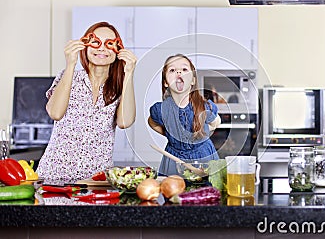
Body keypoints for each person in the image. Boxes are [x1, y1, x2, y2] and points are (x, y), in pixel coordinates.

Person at [37, 21, 137, 182]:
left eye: (109, 43)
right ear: (86, 46)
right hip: (54, 177)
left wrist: (129, 72)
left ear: (118, 50)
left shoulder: (120, 86)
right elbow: (55, 113)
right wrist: (70, 64)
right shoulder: (68, 77)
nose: (102, 48)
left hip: (97, 181)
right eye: (96, 42)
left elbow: (125, 122)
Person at [148, 54, 221, 175]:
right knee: (173, 190)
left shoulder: (204, 106)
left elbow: (216, 122)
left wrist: (203, 132)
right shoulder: (160, 110)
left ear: (192, 80)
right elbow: (151, 122)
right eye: (172, 70)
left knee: (206, 190)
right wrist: (169, 133)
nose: (178, 72)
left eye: (184, 69)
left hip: (204, 156)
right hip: (173, 159)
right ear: (165, 82)